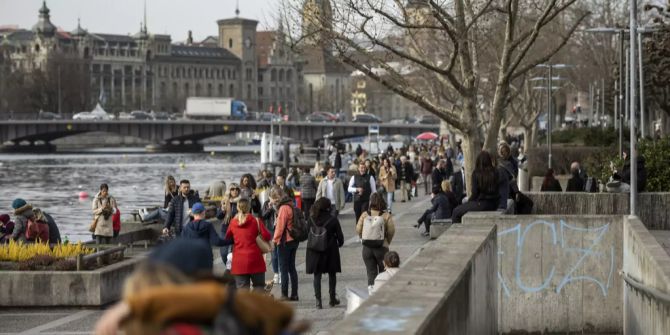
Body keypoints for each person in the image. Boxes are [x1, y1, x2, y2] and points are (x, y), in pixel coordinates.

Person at [225, 198, 273, 292]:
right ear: (249, 207)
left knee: (242, 290)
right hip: (255, 259)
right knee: (258, 287)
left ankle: (244, 306)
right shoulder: (256, 221)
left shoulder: (233, 222)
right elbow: (267, 236)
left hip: (239, 261)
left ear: (238, 208)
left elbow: (227, 237)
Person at [306, 198, 344, 309]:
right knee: (332, 274)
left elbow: (308, 232)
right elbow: (340, 238)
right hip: (330, 250)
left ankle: (318, 302)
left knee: (316, 275)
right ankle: (332, 299)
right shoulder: (333, 219)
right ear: (328, 207)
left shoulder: (311, 219)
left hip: (315, 251)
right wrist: (338, 243)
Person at [356, 193, 395, 295]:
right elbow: (391, 231)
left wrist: (362, 237)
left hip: (367, 248)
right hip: (381, 248)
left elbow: (358, 229)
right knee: (383, 271)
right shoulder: (386, 216)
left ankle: (371, 293)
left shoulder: (365, 215)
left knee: (371, 271)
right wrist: (386, 241)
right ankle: (381, 293)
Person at [451, 151, 500, 224]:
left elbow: (475, 193)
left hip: (482, 203)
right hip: (494, 203)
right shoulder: (496, 172)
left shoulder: (476, 173)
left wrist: (469, 202)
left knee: (456, 212)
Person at [271, 186, 300, 301]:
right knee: (292, 268)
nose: (272, 201)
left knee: (283, 269)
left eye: (272, 198)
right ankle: (294, 294)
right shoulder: (291, 204)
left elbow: (280, 227)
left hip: (285, 242)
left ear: (276, 197)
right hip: (294, 240)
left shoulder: (283, 208)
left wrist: (274, 240)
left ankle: (284, 294)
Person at [220, 183, 241, 267]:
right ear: (229, 191)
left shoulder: (241, 201)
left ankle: (235, 271)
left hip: (238, 230)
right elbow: (218, 216)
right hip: (225, 229)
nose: (235, 191)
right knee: (224, 253)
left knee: (236, 253)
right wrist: (223, 211)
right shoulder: (225, 201)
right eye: (232, 189)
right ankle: (229, 268)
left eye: (236, 189)